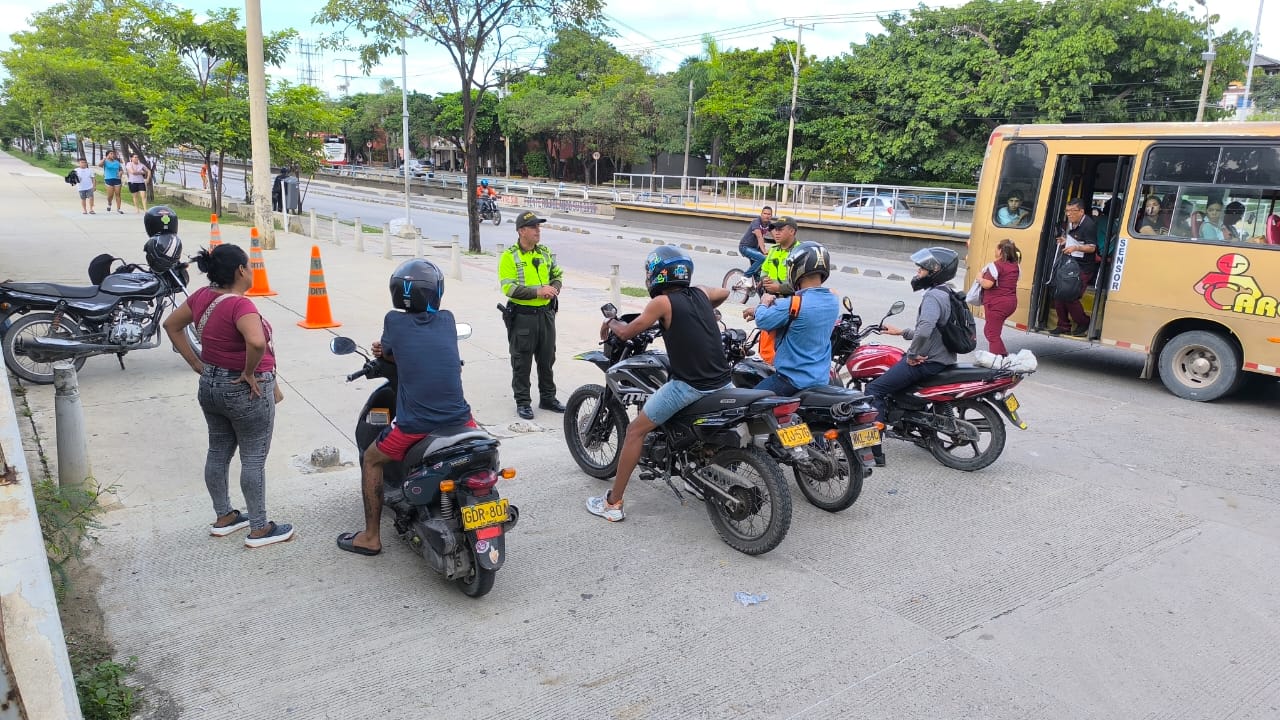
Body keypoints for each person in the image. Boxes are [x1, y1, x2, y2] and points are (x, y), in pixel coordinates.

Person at [162, 233, 294, 549]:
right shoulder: (240, 305)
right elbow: (257, 342)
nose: (252, 271)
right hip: (245, 389)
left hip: (210, 385)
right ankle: (260, 528)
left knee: (218, 450)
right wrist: (249, 371)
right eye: (249, 266)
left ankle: (224, 517)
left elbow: (171, 325)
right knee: (253, 457)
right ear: (239, 271)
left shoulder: (201, 297)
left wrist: (196, 362)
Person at [336, 259, 475, 556]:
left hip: (416, 424)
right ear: (436, 292)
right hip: (461, 419)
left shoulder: (394, 321)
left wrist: (382, 351)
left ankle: (370, 537)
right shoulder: (448, 320)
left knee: (372, 459)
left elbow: (389, 352)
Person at [586, 247, 733, 522]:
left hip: (690, 386)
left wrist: (611, 321)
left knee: (634, 432)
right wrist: (701, 312)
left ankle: (612, 503)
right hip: (725, 383)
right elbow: (724, 293)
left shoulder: (662, 303)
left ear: (656, 275)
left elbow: (629, 331)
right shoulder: (700, 293)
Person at [865, 247, 960, 422]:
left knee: (874, 390)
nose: (918, 272)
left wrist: (912, 354)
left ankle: (872, 442)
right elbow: (935, 330)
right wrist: (902, 332)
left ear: (935, 271)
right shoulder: (947, 292)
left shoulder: (933, 296)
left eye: (922, 269)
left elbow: (924, 330)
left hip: (928, 360)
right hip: (943, 358)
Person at [744, 241, 840, 395]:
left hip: (791, 380)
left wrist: (762, 303)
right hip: (820, 379)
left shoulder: (794, 304)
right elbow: (805, 307)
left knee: (747, 405)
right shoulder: (833, 300)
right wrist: (758, 309)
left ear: (796, 269)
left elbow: (763, 321)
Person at [499, 211, 564, 420]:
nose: (538, 230)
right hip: (523, 317)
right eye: (533, 227)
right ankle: (523, 402)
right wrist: (537, 291)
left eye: (539, 227)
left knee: (547, 359)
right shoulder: (510, 256)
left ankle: (548, 398)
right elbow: (508, 288)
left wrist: (553, 288)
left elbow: (557, 275)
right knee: (522, 361)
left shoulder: (544, 252)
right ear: (521, 231)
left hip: (546, 315)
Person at [756, 214, 802, 364]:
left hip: (791, 304)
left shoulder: (800, 252)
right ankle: (768, 364)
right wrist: (765, 280)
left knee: (784, 341)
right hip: (771, 301)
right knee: (767, 339)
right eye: (775, 229)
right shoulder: (774, 250)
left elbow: (802, 283)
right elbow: (764, 270)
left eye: (780, 229)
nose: (776, 232)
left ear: (792, 231)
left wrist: (779, 288)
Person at [1049, 199, 1097, 337]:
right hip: (1070, 262)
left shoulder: (1089, 225)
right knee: (1059, 292)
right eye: (1067, 211)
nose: (1069, 214)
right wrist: (1065, 242)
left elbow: (1091, 248)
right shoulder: (1070, 223)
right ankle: (1063, 325)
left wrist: (1076, 247)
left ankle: (1083, 321)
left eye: (1072, 211)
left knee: (1070, 295)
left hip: (1083, 267)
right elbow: (1074, 239)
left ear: (1081, 212)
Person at [979, 239, 1021, 357]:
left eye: (996, 248)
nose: (995, 250)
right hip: (1010, 303)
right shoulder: (1015, 266)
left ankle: (998, 362)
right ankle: (1003, 355)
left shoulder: (995, 266)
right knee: (990, 331)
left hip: (996, 304)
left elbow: (987, 284)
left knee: (992, 333)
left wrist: (979, 278)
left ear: (1001, 251)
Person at [737, 206, 773, 280]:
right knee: (762, 258)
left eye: (769, 214)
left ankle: (756, 288)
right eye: (765, 213)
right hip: (745, 247)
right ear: (761, 214)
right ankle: (745, 276)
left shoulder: (769, 224)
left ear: (771, 216)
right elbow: (759, 236)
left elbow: (776, 235)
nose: (767, 216)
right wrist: (764, 250)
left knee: (758, 271)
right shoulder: (756, 222)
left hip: (755, 249)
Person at [100, 149, 123, 214]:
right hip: (108, 179)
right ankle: (109, 203)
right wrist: (104, 159)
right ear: (108, 155)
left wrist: (120, 172)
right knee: (110, 195)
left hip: (117, 179)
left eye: (113, 154)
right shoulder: (105, 161)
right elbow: (99, 165)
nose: (113, 155)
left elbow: (121, 169)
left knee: (118, 194)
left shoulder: (117, 162)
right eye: (111, 154)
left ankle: (118, 209)